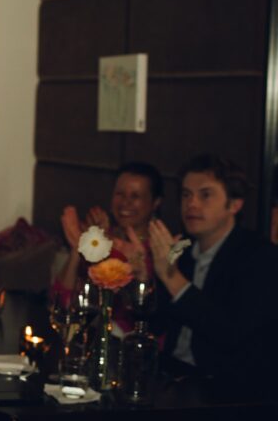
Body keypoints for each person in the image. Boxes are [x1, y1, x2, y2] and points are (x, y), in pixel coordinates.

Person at [147, 154, 278, 385]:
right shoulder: (183, 248)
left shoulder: (259, 257)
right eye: (186, 194)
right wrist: (142, 278)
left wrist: (172, 277)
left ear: (235, 204)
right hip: (172, 373)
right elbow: (156, 324)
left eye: (205, 195)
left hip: (227, 387)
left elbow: (231, 334)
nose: (192, 204)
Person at [52, 162, 163, 333]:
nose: (125, 202)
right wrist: (82, 245)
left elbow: (141, 316)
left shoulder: (160, 250)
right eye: (120, 194)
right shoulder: (102, 239)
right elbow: (62, 302)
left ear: (155, 202)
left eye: (135, 196)